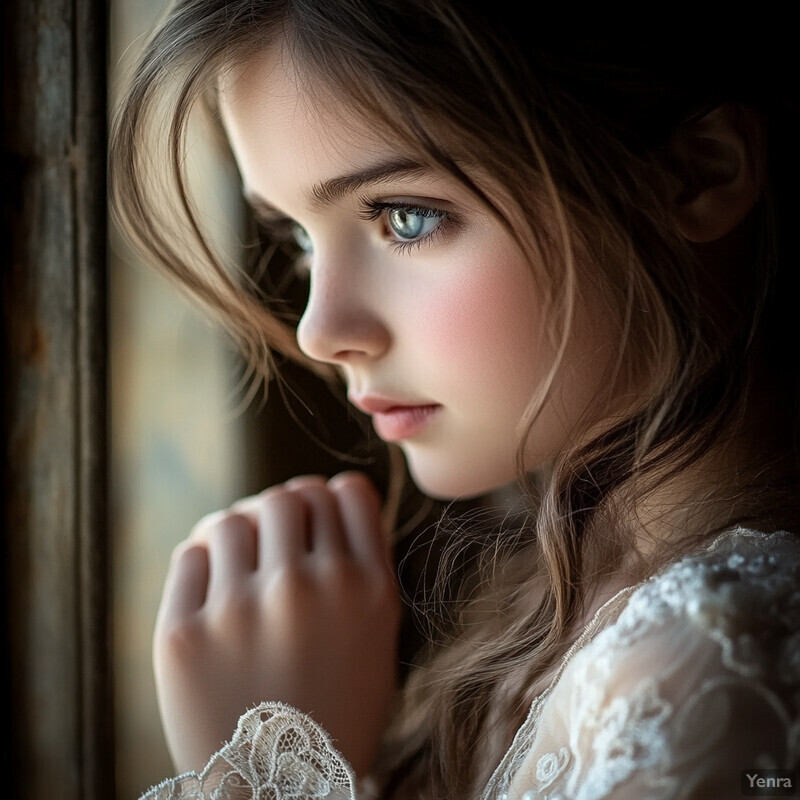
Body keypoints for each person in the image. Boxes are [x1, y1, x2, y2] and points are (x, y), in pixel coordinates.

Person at [109, 3, 800, 798]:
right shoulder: (553, 600)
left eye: (407, 218)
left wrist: (272, 771)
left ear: (695, 170)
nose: (319, 331)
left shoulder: (718, 670)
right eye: (298, 238)